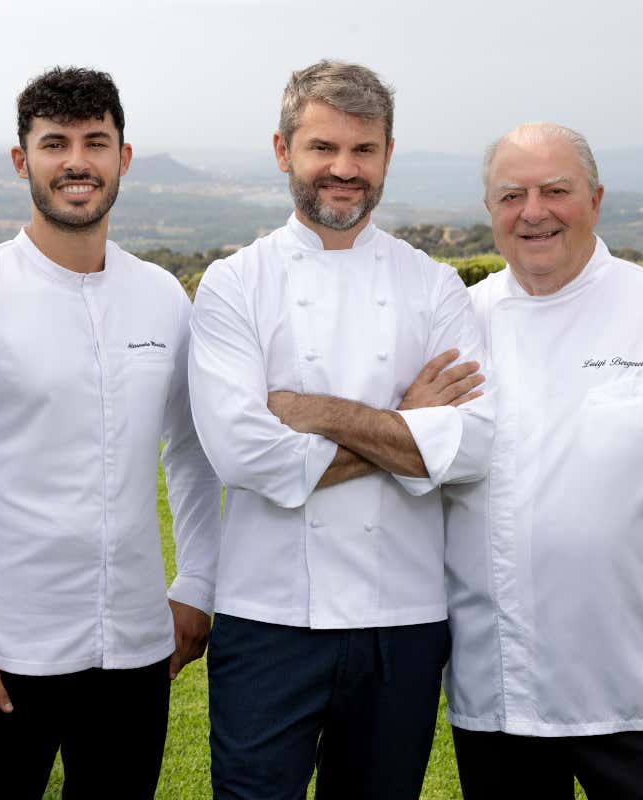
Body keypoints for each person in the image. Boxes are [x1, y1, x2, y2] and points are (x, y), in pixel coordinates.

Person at [0, 67, 221, 799]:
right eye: (55, 143)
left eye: (96, 142)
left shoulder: (163, 298)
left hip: (137, 650)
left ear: (123, 158)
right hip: (5, 658)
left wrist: (196, 581)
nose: (77, 160)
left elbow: (193, 451)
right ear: (22, 161)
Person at [188, 60, 494, 800]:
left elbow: (474, 444)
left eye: (363, 150)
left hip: (405, 619)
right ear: (282, 149)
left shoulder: (434, 284)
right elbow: (243, 454)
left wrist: (313, 410)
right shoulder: (236, 285)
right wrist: (410, 427)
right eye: (322, 147)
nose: (343, 169)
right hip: (268, 619)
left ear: (388, 154)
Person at [443, 123, 643, 799]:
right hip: (500, 689)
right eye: (512, 195)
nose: (533, 212)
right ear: (489, 212)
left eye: (554, 191)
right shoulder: (457, 326)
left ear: (595, 199)